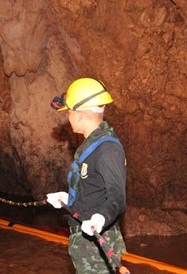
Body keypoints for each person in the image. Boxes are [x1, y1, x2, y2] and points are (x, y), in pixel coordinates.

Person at [45, 77, 127, 273]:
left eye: (69, 113)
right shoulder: (90, 145)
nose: (68, 118)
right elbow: (91, 188)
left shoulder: (107, 149)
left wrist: (100, 218)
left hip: (98, 247)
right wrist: (69, 199)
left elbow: (117, 196)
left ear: (79, 114)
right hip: (86, 245)